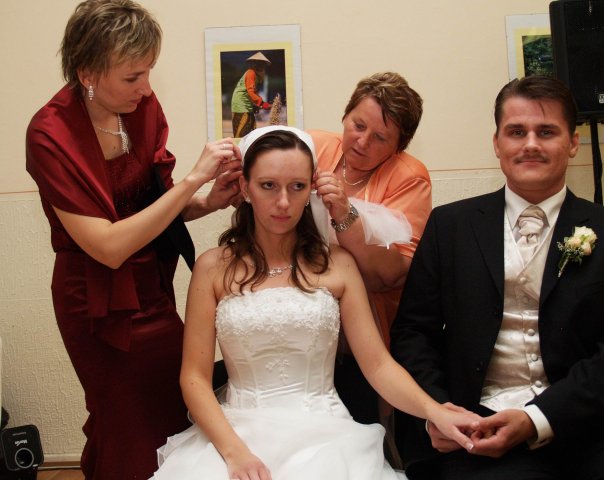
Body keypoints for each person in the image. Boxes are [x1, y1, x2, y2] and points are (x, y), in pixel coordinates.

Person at [151, 126, 480, 480]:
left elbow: (378, 366)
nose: (283, 202)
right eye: (268, 185)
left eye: (297, 186)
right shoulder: (213, 267)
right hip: (233, 434)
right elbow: (194, 378)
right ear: (245, 188)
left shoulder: (337, 264)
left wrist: (434, 410)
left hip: (326, 436)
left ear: (312, 188)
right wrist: (236, 454)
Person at [25, 1, 242, 478]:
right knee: (126, 425)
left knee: (174, 413)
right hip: (94, 301)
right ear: (87, 73)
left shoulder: (141, 109)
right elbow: (107, 246)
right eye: (132, 77)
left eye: (148, 72)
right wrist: (193, 180)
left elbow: (154, 209)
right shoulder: (50, 134)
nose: (145, 88)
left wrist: (209, 200)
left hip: (152, 288)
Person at [391, 75, 604, 480]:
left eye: (547, 132)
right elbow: (413, 333)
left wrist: (537, 418)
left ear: (573, 143)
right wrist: (438, 410)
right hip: (476, 422)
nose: (531, 144)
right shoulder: (449, 226)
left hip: (594, 427)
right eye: (516, 132)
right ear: (497, 143)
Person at [311, 72, 432, 426]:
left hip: (363, 327)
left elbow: (390, 274)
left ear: (399, 146)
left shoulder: (410, 177)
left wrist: (345, 214)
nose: (362, 142)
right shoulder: (313, 147)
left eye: (380, 137)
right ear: (345, 115)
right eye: (358, 125)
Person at [231, 51, 272, 138]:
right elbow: (250, 92)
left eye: (263, 64)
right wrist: (263, 104)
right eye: (259, 63)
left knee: (250, 130)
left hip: (246, 103)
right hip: (241, 104)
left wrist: (255, 105)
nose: (261, 65)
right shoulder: (251, 72)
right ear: (254, 63)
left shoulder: (255, 75)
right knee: (242, 132)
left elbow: (252, 92)